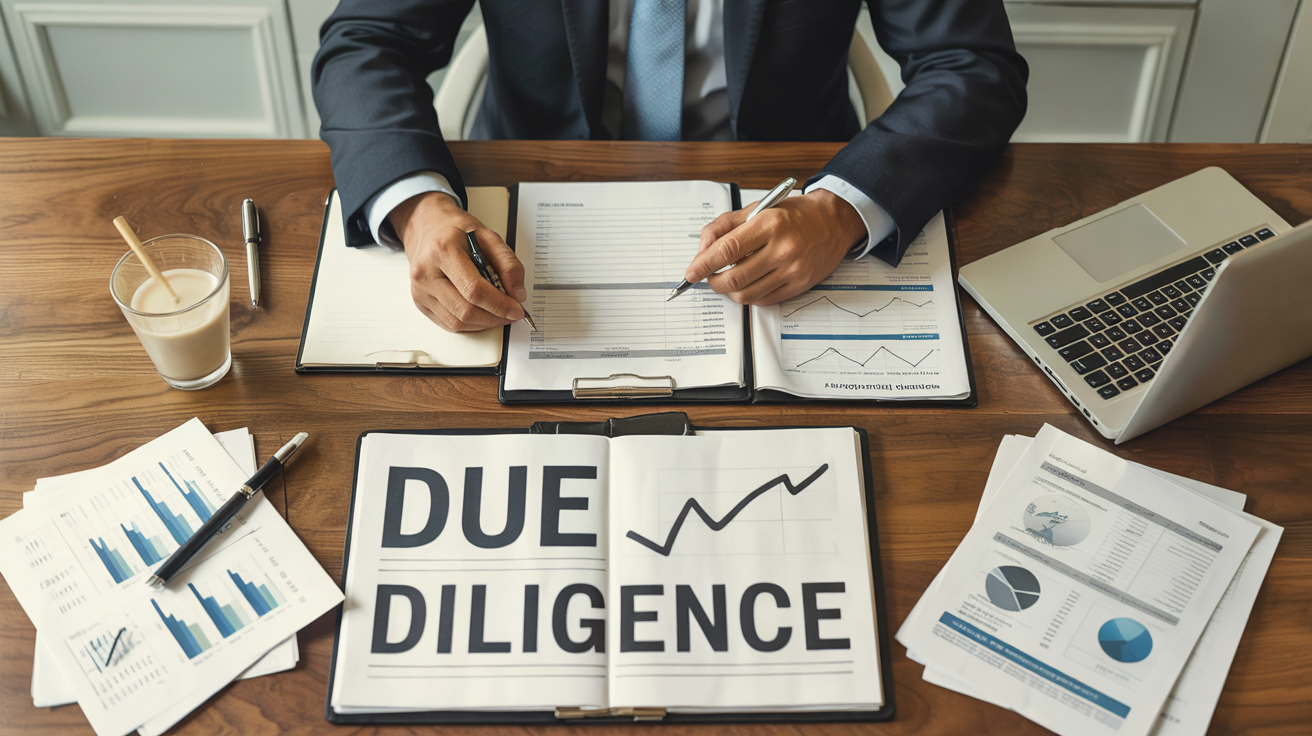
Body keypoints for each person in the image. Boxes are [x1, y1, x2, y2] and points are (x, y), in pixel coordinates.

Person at [313, 0, 1027, 332]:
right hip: (530, 192)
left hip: (786, 198)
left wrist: (841, 209)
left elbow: (973, 66)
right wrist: (415, 205)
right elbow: (367, 40)